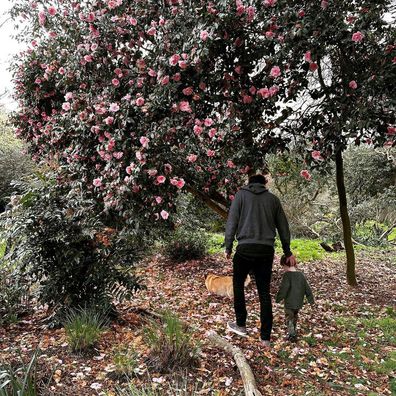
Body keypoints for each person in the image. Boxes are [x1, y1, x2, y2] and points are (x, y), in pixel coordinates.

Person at [224, 174, 296, 347]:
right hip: (265, 250)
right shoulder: (273, 200)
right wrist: (287, 251)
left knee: (238, 285)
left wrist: (228, 246)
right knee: (264, 292)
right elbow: (283, 228)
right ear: (265, 184)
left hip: (244, 248)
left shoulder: (240, 196)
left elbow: (232, 222)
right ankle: (265, 337)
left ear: (249, 183)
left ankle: (241, 324)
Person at [276, 255, 314, 342]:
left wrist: (278, 298)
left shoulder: (287, 275)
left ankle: (292, 335)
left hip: (289, 303)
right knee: (295, 317)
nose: (283, 269)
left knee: (288, 318)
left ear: (285, 265)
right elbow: (307, 288)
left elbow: (284, 288)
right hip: (299, 303)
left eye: (283, 266)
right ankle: (292, 333)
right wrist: (310, 300)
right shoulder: (301, 275)